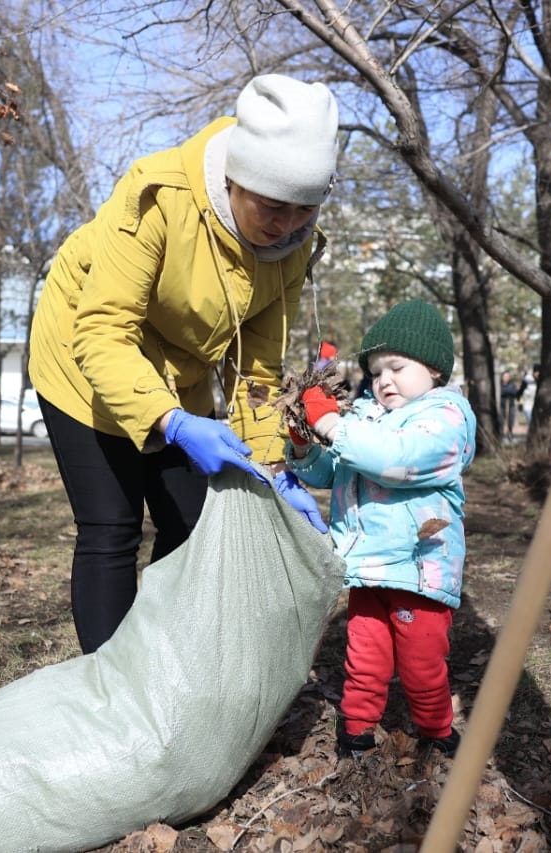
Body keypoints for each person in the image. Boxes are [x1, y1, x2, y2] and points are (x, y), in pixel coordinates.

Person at [28, 74, 338, 654]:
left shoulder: (294, 245)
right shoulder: (158, 195)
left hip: (179, 374)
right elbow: (102, 332)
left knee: (192, 524)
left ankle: (168, 664)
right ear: (234, 179)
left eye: (305, 210)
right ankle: (114, 690)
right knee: (111, 526)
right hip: (84, 354)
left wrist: (273, 466)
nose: (288, 225)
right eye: (273, 206)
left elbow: (256, 371)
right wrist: (171, 423)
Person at [284, 301, 477, 758]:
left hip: (418, 567)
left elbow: (398, 459)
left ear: (432, 369)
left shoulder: (446, 418)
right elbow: (329, 473)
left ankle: (436, 728)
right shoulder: (364, 418)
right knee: (364, 655)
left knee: (421, 661)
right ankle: (356, 729)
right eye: (375, 372)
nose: (383, 380)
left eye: (397, 367)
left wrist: (331, 424)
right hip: (367, 565)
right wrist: (304, 441)